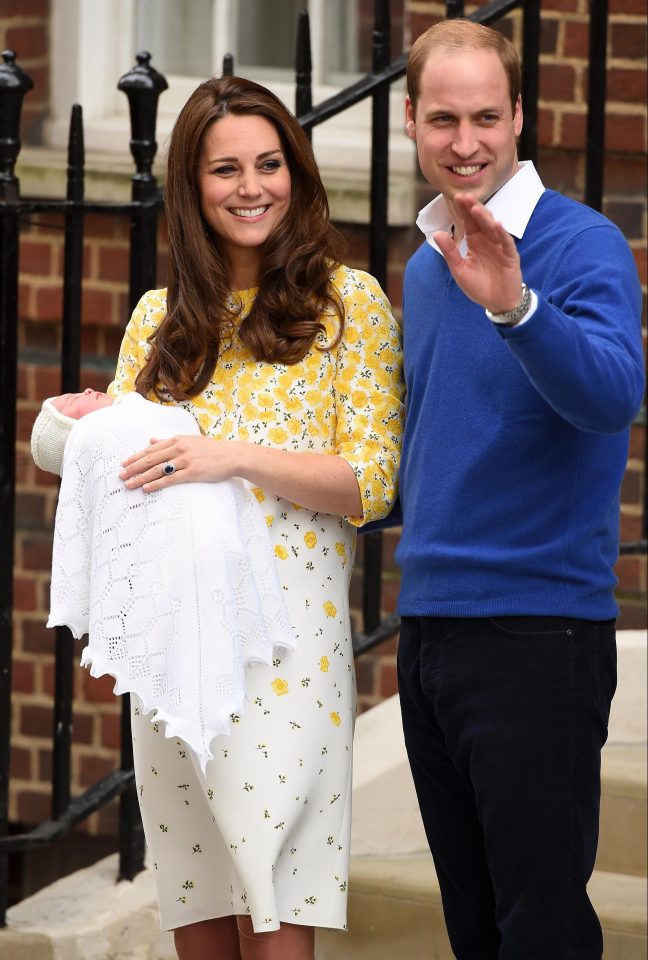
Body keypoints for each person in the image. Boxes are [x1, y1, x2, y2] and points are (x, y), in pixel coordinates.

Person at [107, 76, 404, 960]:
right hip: (176, 653)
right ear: (192, 187)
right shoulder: (161, 322)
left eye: (270, 164)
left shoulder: (349, 306)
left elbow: (372, 481)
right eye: (225, 168)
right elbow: (120, 477)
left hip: (288, 655)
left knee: (275, 913)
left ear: (298, 174)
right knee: (198, 914)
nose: (251, 187)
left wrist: (230, 456)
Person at [395, 18, 644, 960]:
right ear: (411, 119)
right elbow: (426, 454)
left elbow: (613, 395)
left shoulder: (581, 245)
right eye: (445, 119)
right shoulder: (424, 266)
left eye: (487, 118)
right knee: (474, 930)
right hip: (429, 633)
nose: (467, 143)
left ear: (521, 118)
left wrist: (517, 306)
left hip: (539, 636)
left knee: (540, 934)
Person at [31, 389, 296, 773]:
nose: (86, 390)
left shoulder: (135, 402)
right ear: (75, 431)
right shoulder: (100, 436)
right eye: (71, 403)